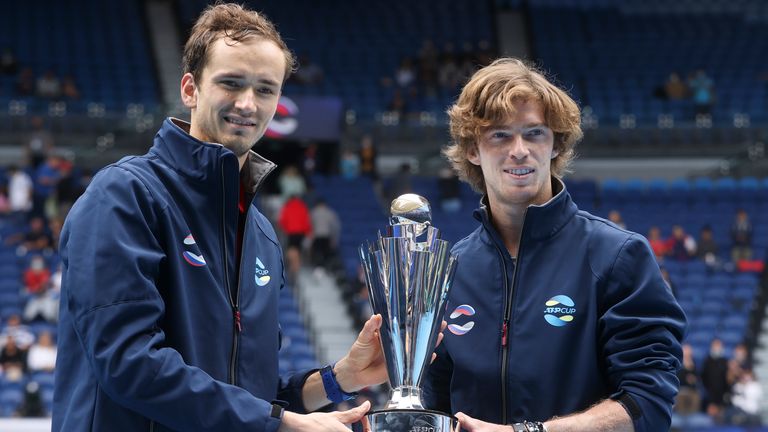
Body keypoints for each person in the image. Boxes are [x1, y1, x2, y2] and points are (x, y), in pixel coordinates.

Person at [53, 4, 397, 431]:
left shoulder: (261, 234)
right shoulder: (124, 197)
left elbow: (251, 396)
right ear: (190, 89)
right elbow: (129, 364)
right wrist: (282, 425)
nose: (248, 103)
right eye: (231, 83)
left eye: (266, 89)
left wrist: (339, 378)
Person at [423, 58, 686, 432]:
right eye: (499, 134)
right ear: (472, 150)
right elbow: (434, 405)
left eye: (534, 133)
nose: (519, 150)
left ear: (555, 146)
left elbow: (647, 404)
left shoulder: (618, 256)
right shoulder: (448, 270)